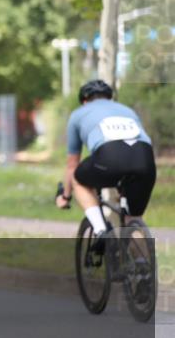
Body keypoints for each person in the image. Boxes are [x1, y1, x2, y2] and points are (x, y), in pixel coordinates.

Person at [56, 80, 156, 252]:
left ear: (85, 101)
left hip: (109, 157)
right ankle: (141, 267)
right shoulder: (127, 110)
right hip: (145, 159)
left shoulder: (78, 114)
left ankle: (101, 230)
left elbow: (72, 163)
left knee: (78, 179)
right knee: (132, 218)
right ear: (110, 98)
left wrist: (65, 196)